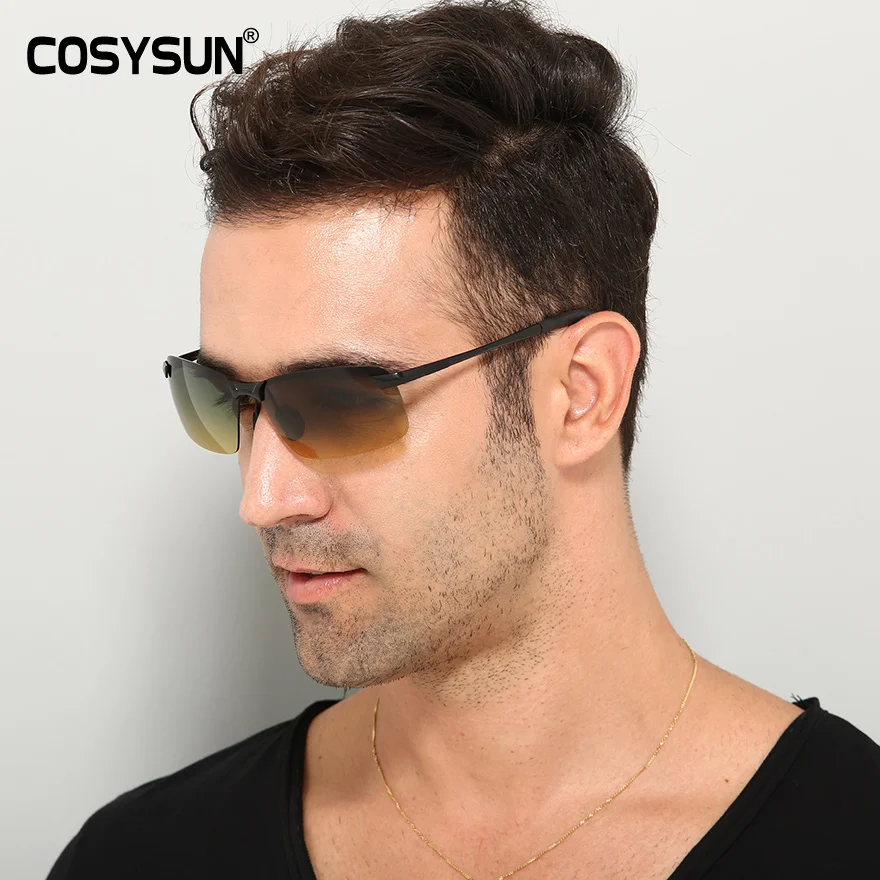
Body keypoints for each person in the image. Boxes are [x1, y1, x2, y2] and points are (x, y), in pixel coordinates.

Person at [47, 1, 880, 878]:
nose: (263, 499)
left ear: (582, 393)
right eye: (226, 400)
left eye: (338, 402)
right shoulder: (142, 856)